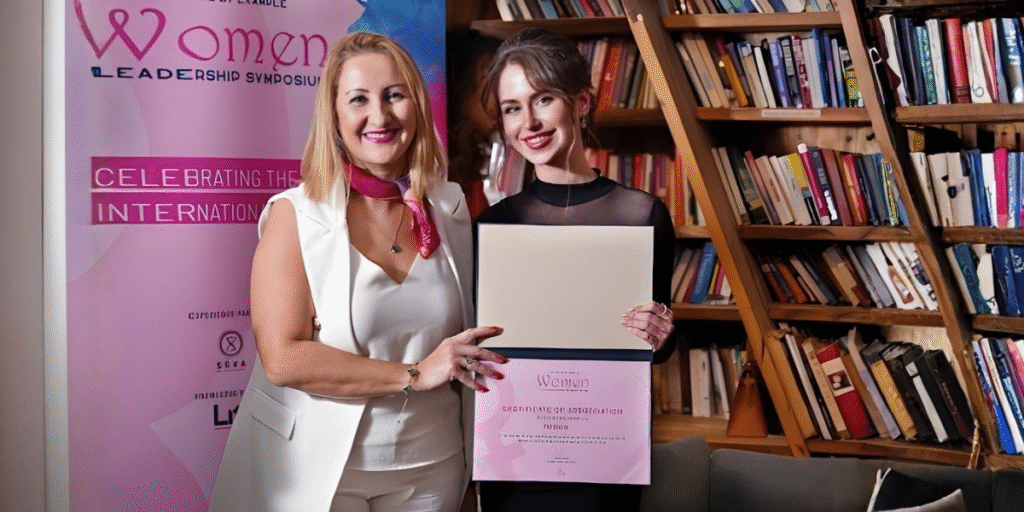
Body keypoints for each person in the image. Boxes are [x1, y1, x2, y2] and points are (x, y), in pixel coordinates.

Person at [209, 32, 505, 512]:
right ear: (335, 115)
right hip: (316, 470)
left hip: (434, 466)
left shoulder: (449, 205)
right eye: (359, 99)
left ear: (418, 107)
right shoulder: (294, 214)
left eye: (395, 95)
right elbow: (283, 358)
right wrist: (414, 373)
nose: (380, 116)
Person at [475, 27, 677, 512]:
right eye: (511, 108)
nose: (529, 122)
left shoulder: (642, 215)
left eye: (543, 99)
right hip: (515, 461)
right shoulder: (494, 224)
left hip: (604, 462)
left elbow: (657, 350)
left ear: (581, 103)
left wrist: (663, 335)